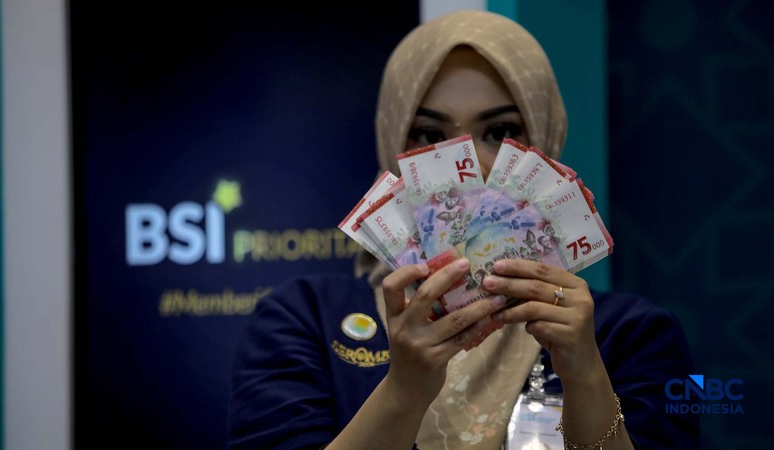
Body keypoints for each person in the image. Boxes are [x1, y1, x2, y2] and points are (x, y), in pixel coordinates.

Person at [228, 10, 698, 450]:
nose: (465, 163)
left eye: (500, 131)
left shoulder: (628, 333)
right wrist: (403, 390)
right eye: (430, 136)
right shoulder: (302, 319)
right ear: (393, 145)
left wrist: (585, 377)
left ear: (543, 145)